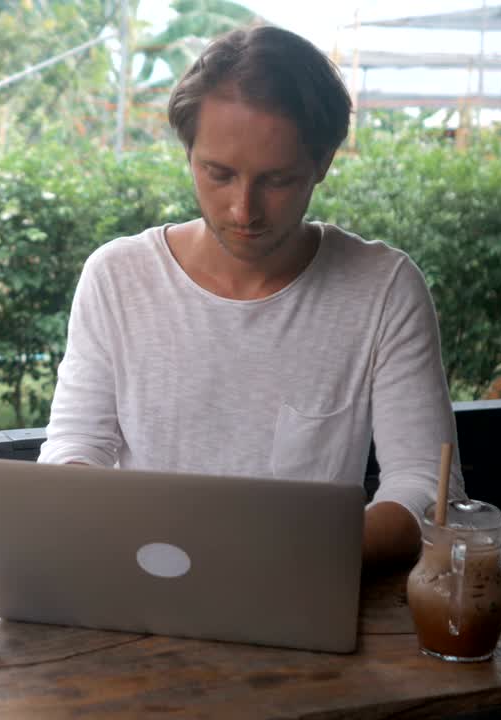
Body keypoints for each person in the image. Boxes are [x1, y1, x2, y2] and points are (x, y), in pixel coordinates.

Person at [38, 25, 464, 571]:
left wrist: (292, 558)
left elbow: (427, 485)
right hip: (144, 586)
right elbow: (77, 445)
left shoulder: (382, 288)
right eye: (218, 174)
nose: (244, 210)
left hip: (307, 588)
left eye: (279, 179)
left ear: (323, 164)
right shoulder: (117, 277)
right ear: (187, 152)